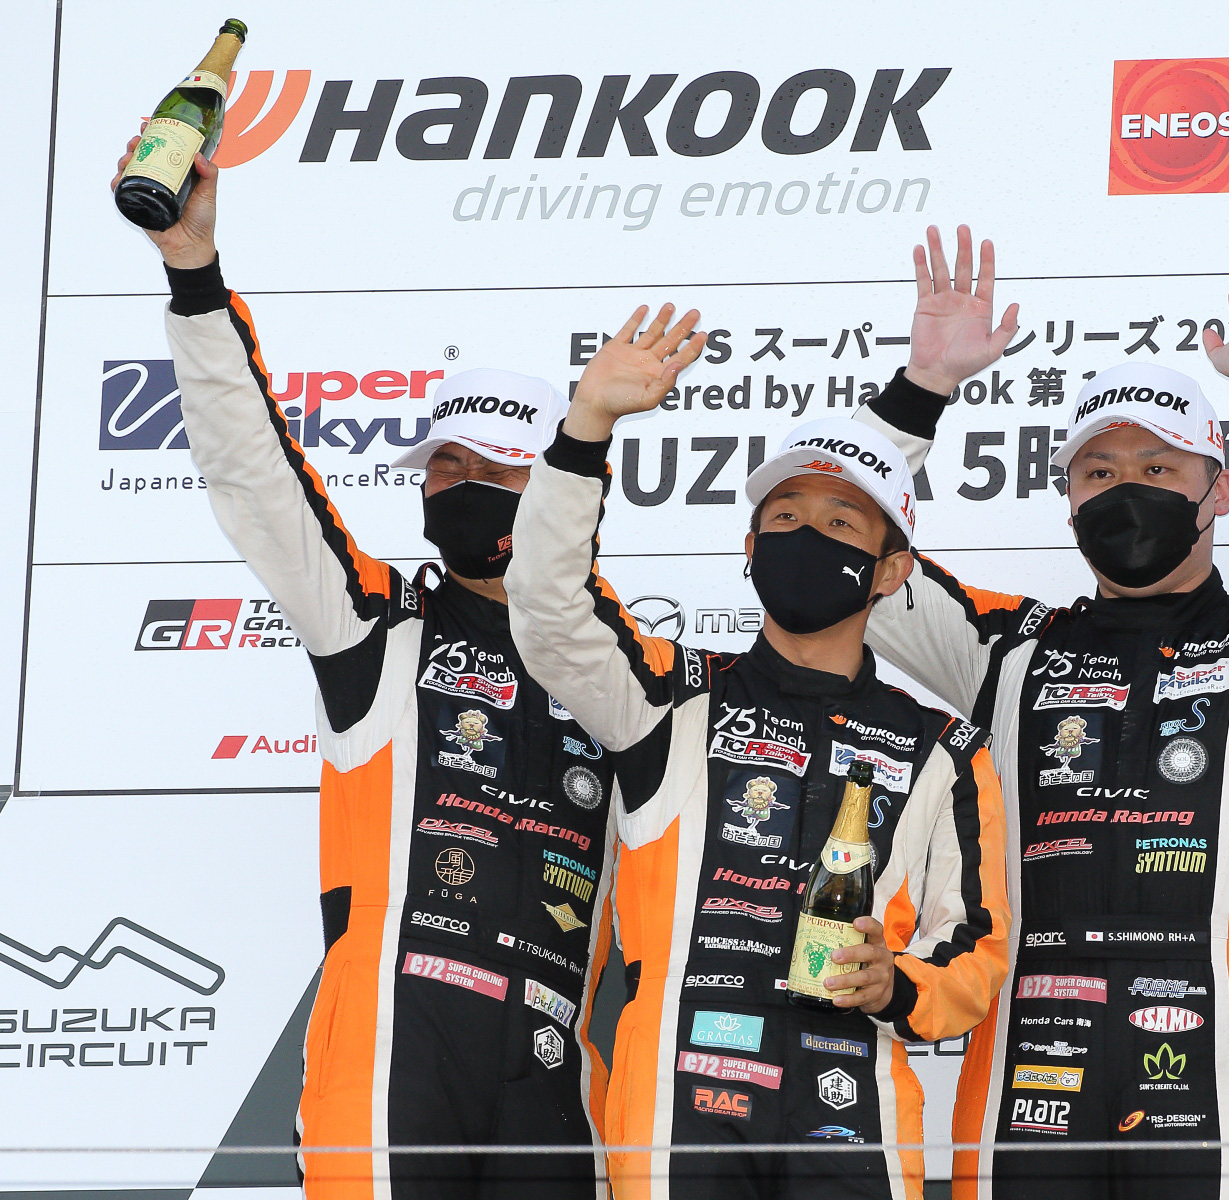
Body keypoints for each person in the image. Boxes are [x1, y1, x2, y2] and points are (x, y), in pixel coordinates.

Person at [115, 140, 625, 1199]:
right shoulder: (374, 624)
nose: (459, 485)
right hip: (395, 1046)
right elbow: (255, 471)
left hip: (557, 1070)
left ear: (564, 484)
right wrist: (194, 275)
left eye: (494, 470)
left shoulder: (632, 673)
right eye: (445, 466)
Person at [853, 228, 1229, 1198]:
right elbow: (851, 554)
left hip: (1215, 1086)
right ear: (1066, 500)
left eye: (1158, 467)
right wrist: (921, 389)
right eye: (1098, 472)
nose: (1126, 488)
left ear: (1220, 489)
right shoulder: (1011, 648)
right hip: (1022, 1086)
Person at [503, 305, 1012, 1200]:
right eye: (784, 516)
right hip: (677, 1099)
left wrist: (897, 986)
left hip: (853, 1108)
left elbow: (976, 946)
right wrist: (586, 428)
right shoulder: (667, 695)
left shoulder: (939, 748)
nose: (807, 536)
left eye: (841, 524)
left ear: (892, 571)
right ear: (749, 547)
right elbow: (548, 608)